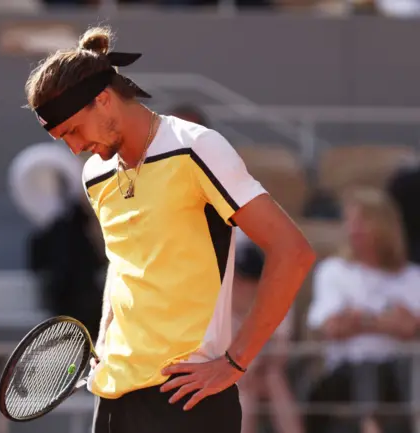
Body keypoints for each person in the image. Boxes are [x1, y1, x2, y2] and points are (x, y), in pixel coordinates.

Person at [23, 26, 315, 433]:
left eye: (73, 130)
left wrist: (234, 362)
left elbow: (293, 252)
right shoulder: (95, 174)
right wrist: (106, 338)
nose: (73, 147)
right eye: (62, 138)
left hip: (185, 398)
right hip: (112, 396)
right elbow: (122, 263)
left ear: (103, 100)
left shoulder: (196, 147)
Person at [306, 188, 417, 433]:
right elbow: (332, 327)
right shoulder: (334, 271)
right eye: (350, 222)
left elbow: (412, 328)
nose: (353, 230)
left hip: (401, 374)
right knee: (365, 371)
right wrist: (390, 321)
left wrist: (358, 318)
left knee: (398, 372)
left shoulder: (412, 278)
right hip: (344, 373)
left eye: (362, 222)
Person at [233, 229, 303, 433]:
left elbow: (281, 353)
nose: (237, 285)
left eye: (245, 280)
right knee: (246, 383)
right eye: (236, 277)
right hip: (227, 376)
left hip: (262, 372)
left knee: (272, 378)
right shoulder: (218, 300)